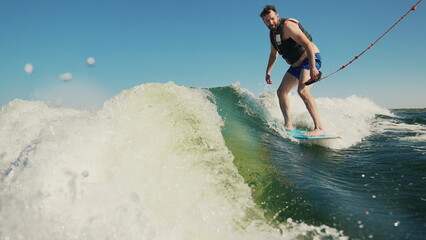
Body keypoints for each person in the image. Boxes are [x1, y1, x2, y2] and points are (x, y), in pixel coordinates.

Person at [260, 5, 325, 136]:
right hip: (296, 66)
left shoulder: (288, 26)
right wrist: (268, 72)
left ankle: (319, 127)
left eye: (272, 19)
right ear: (264, 21)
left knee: (303, 91)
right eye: (267, 21)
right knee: (281, 92)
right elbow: (273, 54)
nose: (271, 22)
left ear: (277, 16)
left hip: (310, 59)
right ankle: (288, 124)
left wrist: (312, 67)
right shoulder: (273, 35)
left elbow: (307, 44)